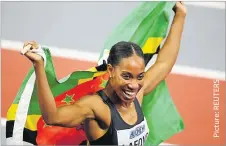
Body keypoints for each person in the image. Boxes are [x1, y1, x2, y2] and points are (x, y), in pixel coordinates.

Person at [21, 2, 186, 145]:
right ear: (111, 70)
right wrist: (39, 66)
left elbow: (164, 63)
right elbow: (53, 117)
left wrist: (180, 16)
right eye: (126, 76)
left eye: (140, 76)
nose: (134, 85)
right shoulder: (96, 107)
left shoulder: (137, 95)